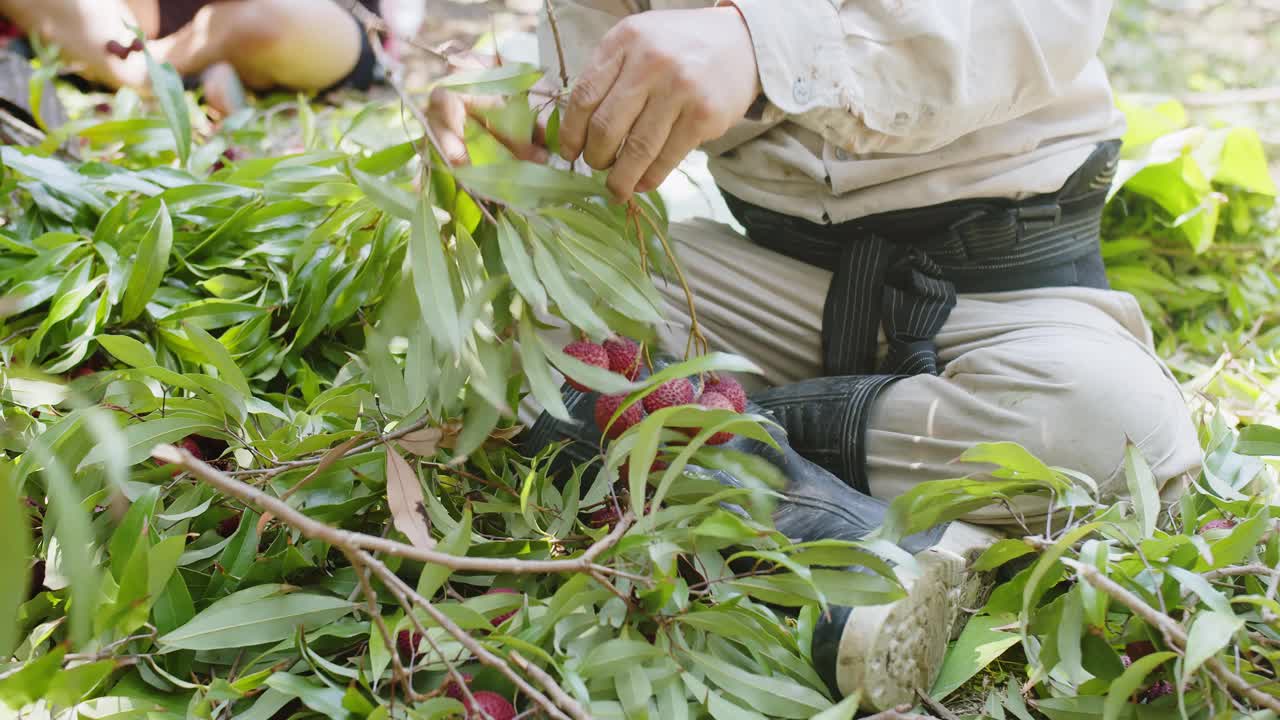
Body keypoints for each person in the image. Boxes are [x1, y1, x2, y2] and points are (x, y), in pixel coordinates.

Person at [447, 0, 1206, 711]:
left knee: (1113, 429)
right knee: (513, 313)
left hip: (999, 297)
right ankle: (866, 522)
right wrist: (517, 100)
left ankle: (727, 464)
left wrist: (759, 42)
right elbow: (588, 46)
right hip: (773, 282)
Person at [0, 0, 386, 117]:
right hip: (132, 31)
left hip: (299, 22)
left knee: (266, 25)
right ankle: (158, 70)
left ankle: (163, 70)